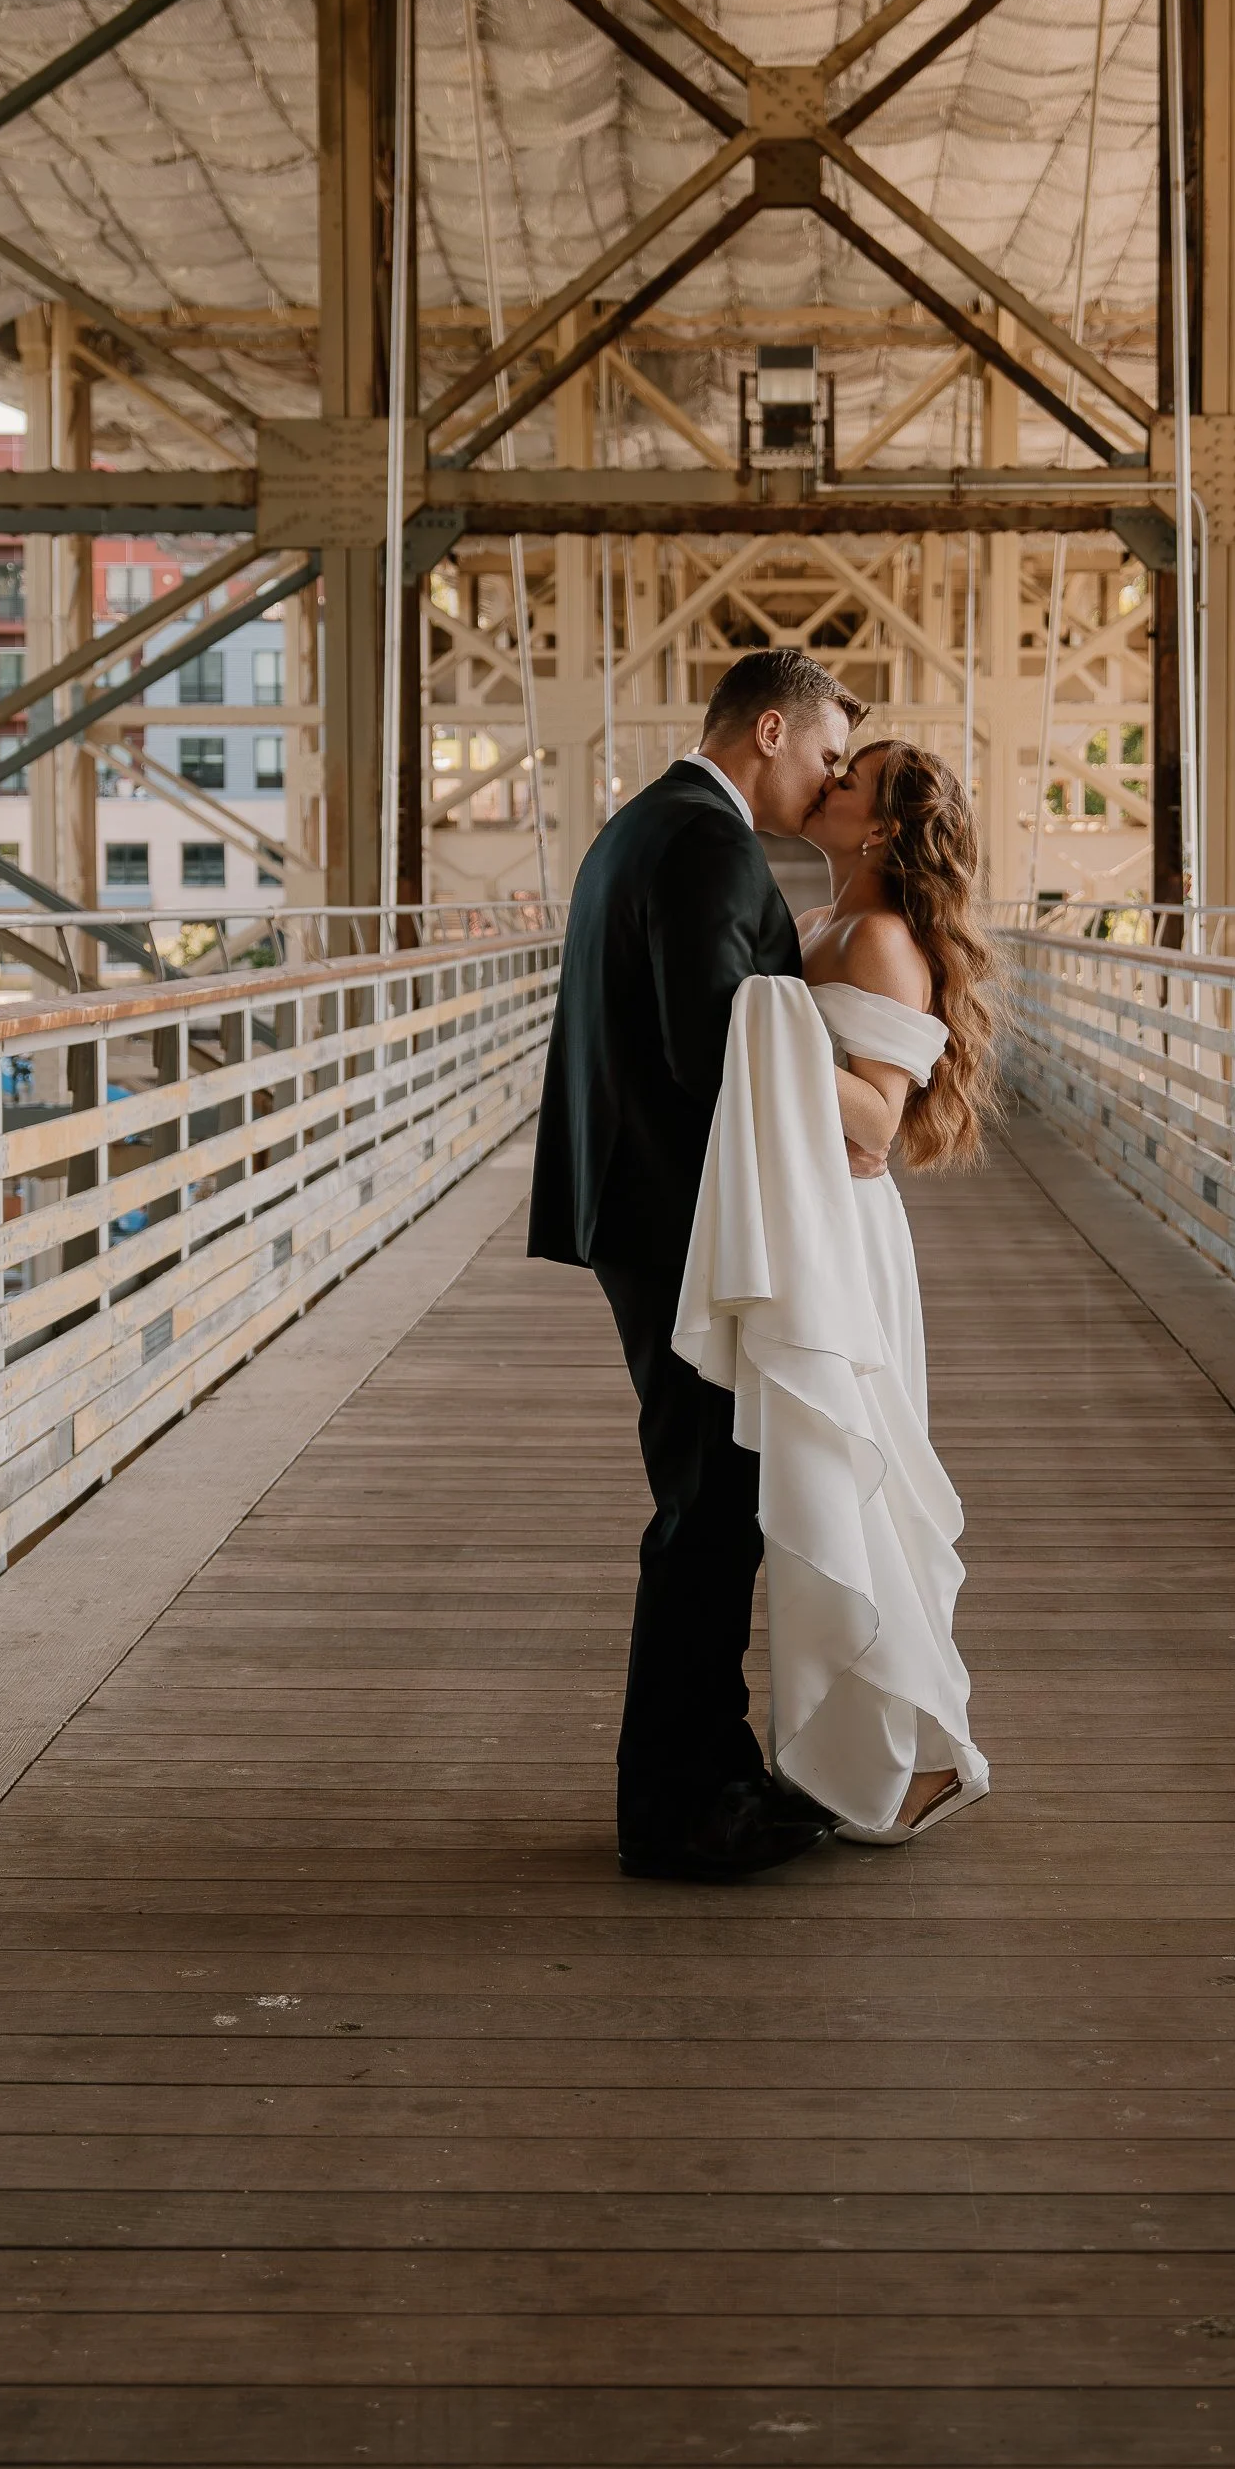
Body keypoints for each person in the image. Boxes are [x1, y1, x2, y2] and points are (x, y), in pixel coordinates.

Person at [529, 645, 864, 1883]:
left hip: (638, 1202)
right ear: (768, 730)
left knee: (712, 1498)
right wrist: (853, 1123)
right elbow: (714, 1046)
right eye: (826, 754)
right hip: (677, 1215)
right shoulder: (708, 842)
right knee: (710, 1508)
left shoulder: (647, 824)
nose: (830, 782)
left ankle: (703, 1771)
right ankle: (680, 1809)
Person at [676, 739, 995, 1844]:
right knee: (812, 1491)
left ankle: (909, 1757)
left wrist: (767, 1033)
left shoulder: (885, 939)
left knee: (852, 1490)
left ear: (880, 830)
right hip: (799, 1222)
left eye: (846, 779)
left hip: (844, 1237)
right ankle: (846, 1751)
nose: (825, 781)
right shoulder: (814, 924)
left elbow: (883, 1128)